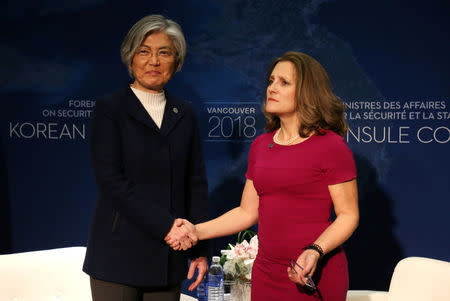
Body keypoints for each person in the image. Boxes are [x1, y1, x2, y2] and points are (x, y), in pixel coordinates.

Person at [166, 51, 359, 301]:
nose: (272, 88)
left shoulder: (330, 146)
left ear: (308, 92)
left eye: (284, 82)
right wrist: (195, 231)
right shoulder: (261, 145)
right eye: (271, 81)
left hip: (313, 272)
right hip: (267, 275)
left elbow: (348, 215)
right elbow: (247, 212)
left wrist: (315, 250)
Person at [83, 14, 209, 301]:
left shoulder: (185, 113)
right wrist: (167, 226)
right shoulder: (110, 109)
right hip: (117, 255)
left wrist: (200, 248)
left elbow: (195, 183)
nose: (153, 61)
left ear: (176, 62)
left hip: (169, 256)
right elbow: (111, 181)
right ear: (130, 58)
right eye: (144, 51)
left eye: (163, 52)